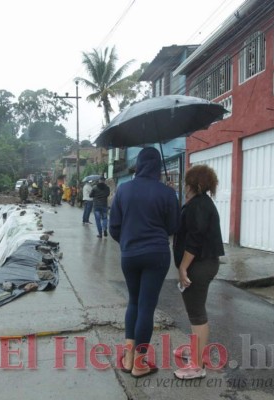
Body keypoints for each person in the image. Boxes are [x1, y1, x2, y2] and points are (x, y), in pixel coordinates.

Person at [109, 147, 180, 378]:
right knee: (147, 307)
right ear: (158, 167)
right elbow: (172, 227)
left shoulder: (123, 189)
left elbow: (114, 228)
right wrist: (170, 195)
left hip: (129, 254)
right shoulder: (167, 193)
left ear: (138, 165)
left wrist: (129, 242)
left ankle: (129, 358)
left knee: (134, 303)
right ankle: (140, 363)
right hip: (157, 254)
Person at [172, 164, 224, 380]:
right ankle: (195, 352)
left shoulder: (198, 206)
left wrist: (183, 267)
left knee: (196, 314)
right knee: (195, 311)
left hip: (199, 265)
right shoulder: (199, 204)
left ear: (193, 184)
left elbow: (194, 239)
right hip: (203, 263)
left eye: (186, 183)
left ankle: (198, 365)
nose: (184, 186)